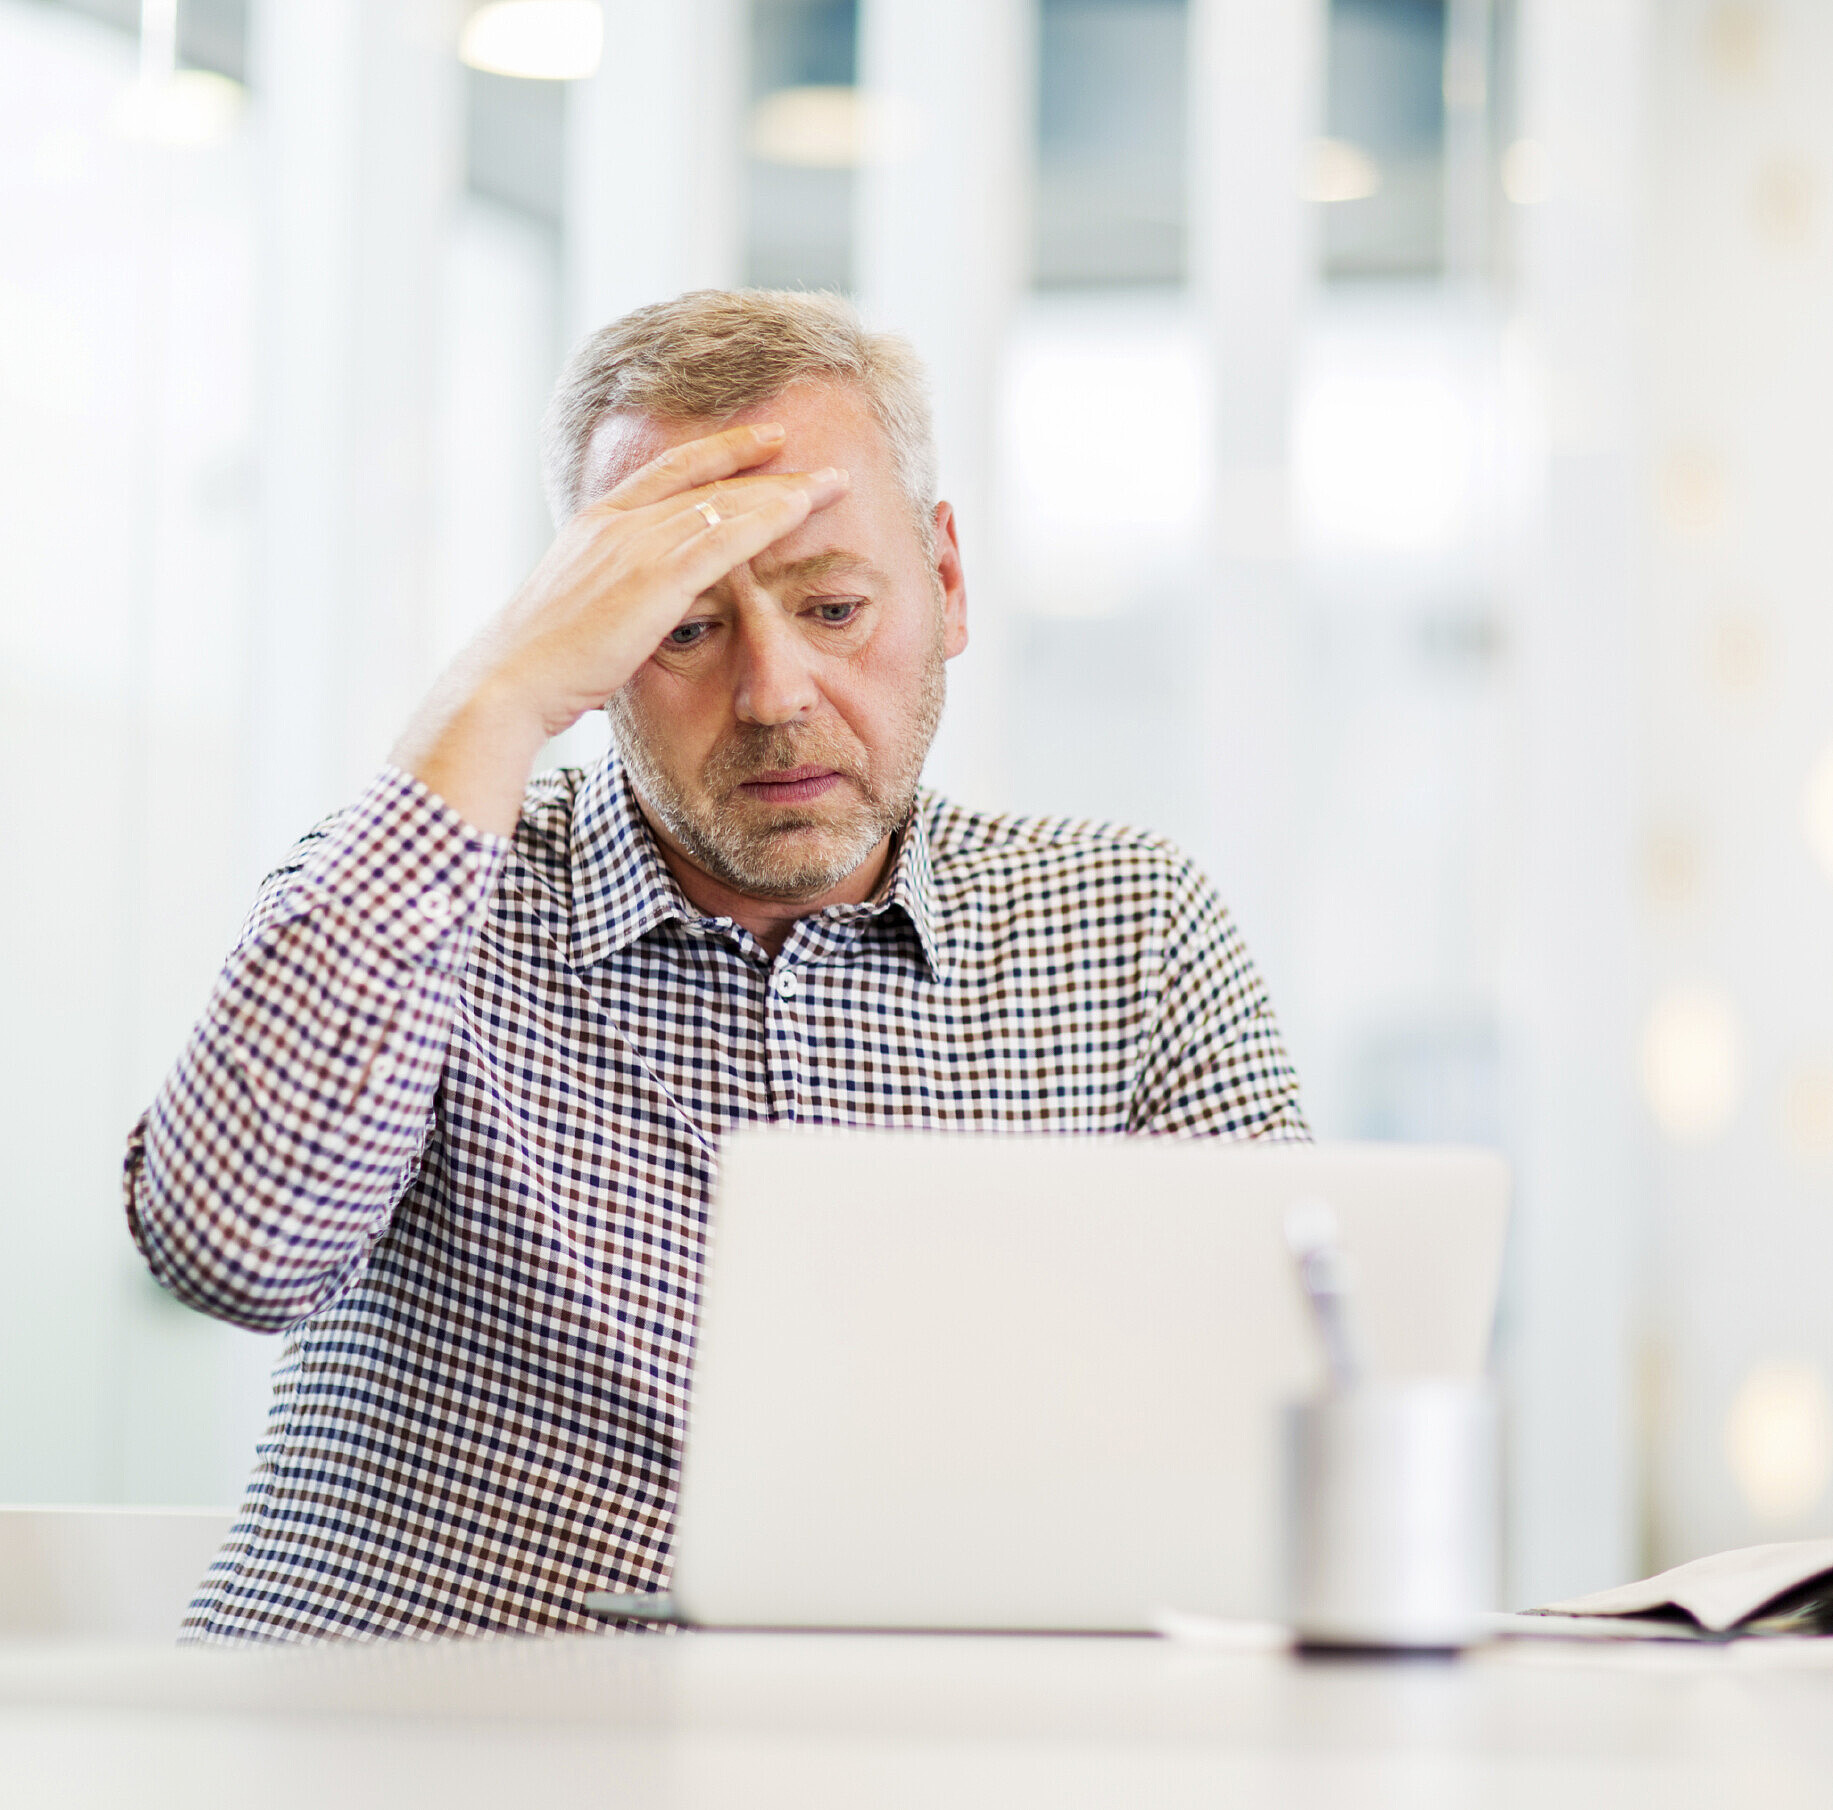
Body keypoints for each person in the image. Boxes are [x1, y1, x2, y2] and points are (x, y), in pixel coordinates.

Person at [125, 289, 1308, 1642]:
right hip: (428, 1753)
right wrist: (493, 699)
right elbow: (228, 1250)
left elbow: (1273, 1415)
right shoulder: (419, 891)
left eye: (836, 606)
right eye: (683, 626)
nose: (775, 691)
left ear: (948, 584)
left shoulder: (1128, 926)